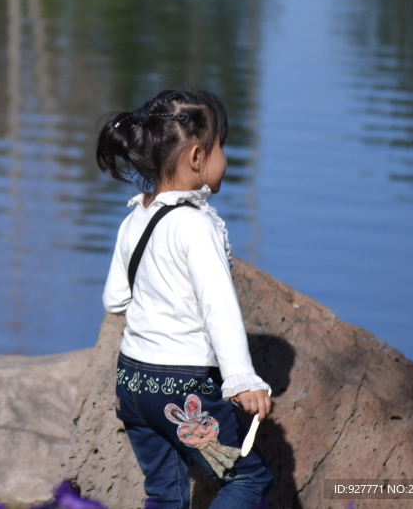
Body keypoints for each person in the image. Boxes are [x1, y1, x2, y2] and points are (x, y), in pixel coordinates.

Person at [95, 89, 273, 509]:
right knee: (249, 479)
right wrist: (242, 380)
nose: (224, 158)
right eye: (221, 147)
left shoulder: (135, 216)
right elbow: (218, 308)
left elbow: (114, 300)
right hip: (181, 387)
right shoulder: (196, 226)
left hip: (132, 384)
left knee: (165, 494)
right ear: (196, 158)